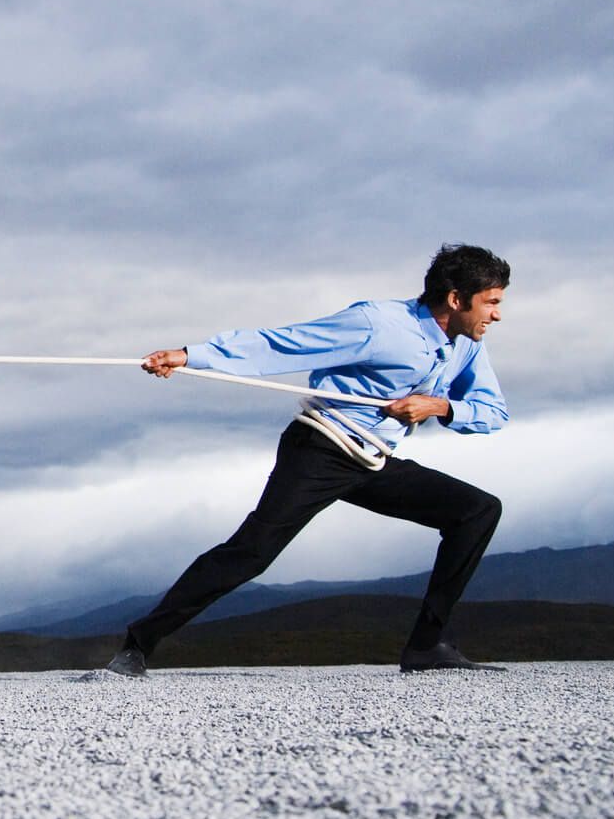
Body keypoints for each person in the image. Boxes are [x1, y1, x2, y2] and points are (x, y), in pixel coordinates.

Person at [106, 244, 510, 677]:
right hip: (320, 447)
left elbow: (493, 412)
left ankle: (428, 647)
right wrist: (189, 356)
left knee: (477, 511)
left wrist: (440, 408)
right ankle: (137, 646)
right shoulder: (379, 323)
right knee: (251, 553)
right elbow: (284, 344)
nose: (497, 315)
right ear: (455, 299)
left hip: (372, 460)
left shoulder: (466, 346)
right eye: (491, 302)